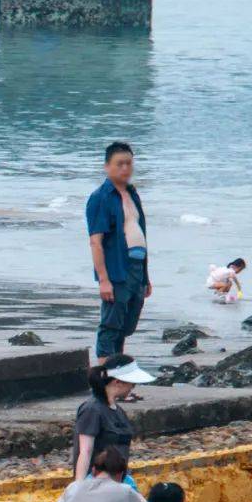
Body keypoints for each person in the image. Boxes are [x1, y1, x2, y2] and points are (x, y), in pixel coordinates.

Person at [86, 141, 153, 390]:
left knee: (126, 326)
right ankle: (105, 384)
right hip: (116, 270)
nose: (125, 168)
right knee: (110, 326)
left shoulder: (132, 193)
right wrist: (103, 279)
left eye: (129, 163)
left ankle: (119, 378)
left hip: (136, 269)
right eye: (119, 164)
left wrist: (146, 276)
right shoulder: (101, 198)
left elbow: (140, 235)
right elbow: (96, 241)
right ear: (107, 167)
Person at [73, 363, 143, 481]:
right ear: (117, 382)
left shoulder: (119, 411)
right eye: (132, 383)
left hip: (119, 478)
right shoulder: (92, 409)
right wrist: (79, 486)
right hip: (97, 480)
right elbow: (85, 451)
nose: (133, 388)